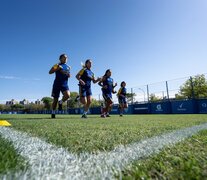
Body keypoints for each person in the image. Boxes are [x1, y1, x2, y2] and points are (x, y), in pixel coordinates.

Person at [49, 54, 71, 118]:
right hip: (57, 84)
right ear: (60, 59)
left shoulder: (68, 67)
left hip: (64, 84)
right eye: (64, 58)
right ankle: (53, 113)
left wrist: (68, 75)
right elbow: (50, 72)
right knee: (55, 99)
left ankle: (60, 102)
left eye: (66, 58)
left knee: (68, 95)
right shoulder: (57, 65)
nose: (66, 59)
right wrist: (57, 68)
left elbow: (69, 75)